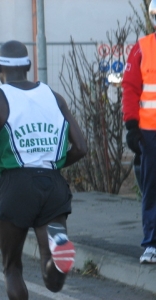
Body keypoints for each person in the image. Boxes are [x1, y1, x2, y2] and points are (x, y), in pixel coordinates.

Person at [0, 40, 87, 300]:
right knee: (52, 278)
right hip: (53, 185)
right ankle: (60, 253)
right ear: (28, 66)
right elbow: (82, 147)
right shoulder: (54, 97)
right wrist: (54, 165)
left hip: (16, 187)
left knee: (12, 268)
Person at [121, 0, 156, 264]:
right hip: (150, 132)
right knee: (152, 187)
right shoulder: (143, 47)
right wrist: (131, 126)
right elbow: (130, 87)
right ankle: (152, 243)